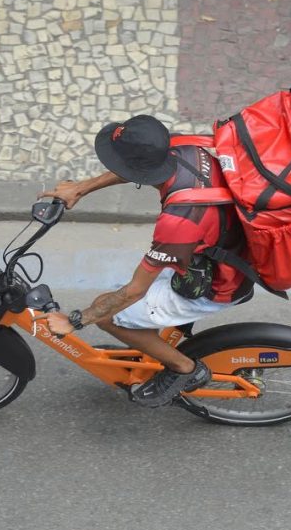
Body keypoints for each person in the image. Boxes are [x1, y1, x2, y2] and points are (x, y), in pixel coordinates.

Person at [35, 115, 253, 407]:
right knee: (121, 303)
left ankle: (185, 369)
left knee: (108, 314)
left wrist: (76, 320)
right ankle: (151, 342)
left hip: (217, 284)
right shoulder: (184, 150)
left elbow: (134, 290)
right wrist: (81, 187)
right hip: (217, 249)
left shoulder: (178, 222)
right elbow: (137, 169)